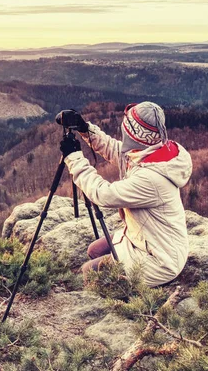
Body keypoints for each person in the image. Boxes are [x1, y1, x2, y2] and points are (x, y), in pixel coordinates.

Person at [59, 102, 193, 287]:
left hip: (159, 259)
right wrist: (85, 129)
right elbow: (116, 151)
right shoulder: (153, 152)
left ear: (133, 135)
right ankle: (117, 284)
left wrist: (74, 158)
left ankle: (118, 303)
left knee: (89, 271)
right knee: (94, 250)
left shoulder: (151, 178)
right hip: (145, 238)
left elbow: (102, 194)